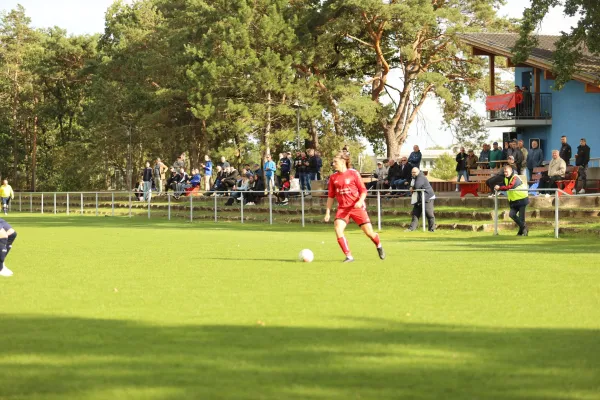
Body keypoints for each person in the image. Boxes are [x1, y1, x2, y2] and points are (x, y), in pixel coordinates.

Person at [324, 152, 385, 263]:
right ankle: (349, 256)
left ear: (343, 162)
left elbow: (363, 191)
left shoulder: (353, 173)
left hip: (356, 208)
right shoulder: (333, 177)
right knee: (338, 228)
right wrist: (327, 212)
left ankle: (378, 244)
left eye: (335, 162)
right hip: (343, 209)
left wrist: (360, 201)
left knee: (369, 233)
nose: (333, 164)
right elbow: (330, 196)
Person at [494, 164, 529, 236]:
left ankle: (522, 232)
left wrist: (500, 188)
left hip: (522, 199)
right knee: (511, 214)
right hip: (513, 201)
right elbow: (503, 184)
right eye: (504, 172)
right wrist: (497, 186)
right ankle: (524, 228)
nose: (505, 173)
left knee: (521, 218)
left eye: (506, 172)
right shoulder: (506, 178)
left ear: (511, 171)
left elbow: (511, 186)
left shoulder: (515, 177)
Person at [407, 168, 436, 232]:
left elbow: (417, 186)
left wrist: (412, 188)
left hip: (427, 197)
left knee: (429, 213)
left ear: (418, 172)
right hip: (419, 198)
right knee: (415, 214)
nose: (413, 174)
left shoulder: (421, 177)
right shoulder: (414, 178)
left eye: (414, 172)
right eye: (412, 172)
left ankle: (432, 229)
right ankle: (411, 229)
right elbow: (410, 185)